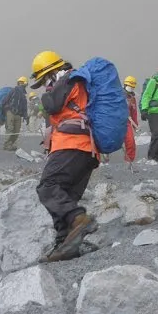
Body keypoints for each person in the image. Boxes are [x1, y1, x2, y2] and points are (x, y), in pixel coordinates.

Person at [30, 50, 98, 262]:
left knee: (48, 187)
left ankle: (79, 219)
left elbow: (52, 105)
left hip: (72, 144)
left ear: (50, 72)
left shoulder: (68, 79)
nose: (44, 85)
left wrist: (45, 95)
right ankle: (65, 244)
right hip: (86, 150)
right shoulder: (74, 82)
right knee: (66, 195)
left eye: (43, 81)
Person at [3, 77, 30, 151]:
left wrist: (25, 116)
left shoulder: (24, 95)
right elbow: (5, 101)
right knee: (10, 129)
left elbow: (24, 107)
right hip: (11, 112)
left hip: (18, 114)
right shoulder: (13, 91)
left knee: (16, 131)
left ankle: (11, 144)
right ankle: (7, 145)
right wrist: (7, 110)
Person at [123, 76, 139, 163]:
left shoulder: (132, 99)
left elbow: (134, 113)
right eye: (130, 86)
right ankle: (103, 161)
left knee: (131, 142)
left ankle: (129, 161)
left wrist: (135, 125)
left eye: (133, 87)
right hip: (116, 122)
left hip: (127, 123)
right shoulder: (117, 95)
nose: (131, 88)